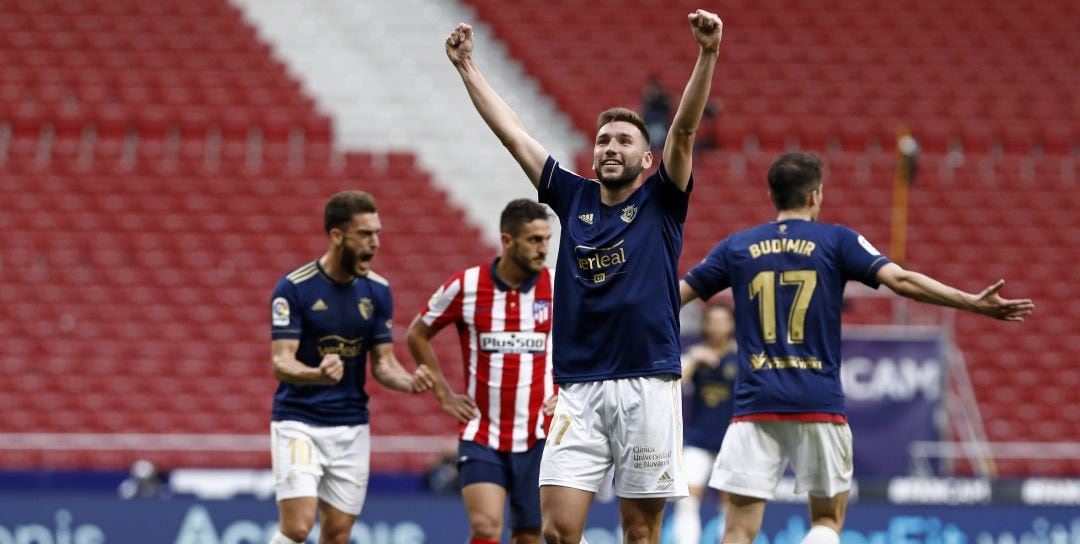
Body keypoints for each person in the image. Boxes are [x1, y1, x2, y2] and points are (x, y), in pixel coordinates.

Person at [446, 9, 723, 544]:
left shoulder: (661, 201)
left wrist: (707, 54)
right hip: (577, 389)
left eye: (623, 140)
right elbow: (515, 136)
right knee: (557, 530)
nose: (610, 147)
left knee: (640, 534)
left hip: (648, 382)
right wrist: (467, 68)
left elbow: (684, 130)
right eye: (602, 140)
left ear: (646, 158)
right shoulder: (571, 196)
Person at [679, 152, 1035, 544]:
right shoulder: (836, 240)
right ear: (815, 195)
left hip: (753, 406)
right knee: (827, 521)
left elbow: (673, 297)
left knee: (738, 529)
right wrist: (970, 302)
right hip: (818, 403)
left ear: (771, 194)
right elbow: (901, 281)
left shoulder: (737, 246)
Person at [267, 190, 435, 544]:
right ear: (337, 236)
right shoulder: (294, 288)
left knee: (339, 533)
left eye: (377, 234)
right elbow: (281, 361)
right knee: (297, 528)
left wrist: (409, 383)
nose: (374, 243)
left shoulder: (377, 292)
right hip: (300, 421)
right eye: (365, 234)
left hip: (351, 426)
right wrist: (316, 374)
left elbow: (384, 363)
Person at [407, 199, 558, 544]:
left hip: (538, 434)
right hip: (481, 433)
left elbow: (589, 342)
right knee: (486, 527)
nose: (544, 249)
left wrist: (565, 391)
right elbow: (417, 332)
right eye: (534, 240)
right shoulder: (467, 286)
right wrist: (442, 393)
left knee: (528, 535)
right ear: (508, 241)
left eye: (547, 239)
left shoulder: (557, 286)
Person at [672, 303, 737, 544]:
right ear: (705, 324)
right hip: (698, 439)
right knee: (687, 500)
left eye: (723, 320)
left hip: (731, 441)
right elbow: (674, 385)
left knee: (729, 503)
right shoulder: (695, 354)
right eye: (712, 320)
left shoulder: (741, 357)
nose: (717, 325)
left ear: (731, 324)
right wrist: (695, 358)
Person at [641, 74, 672, 151]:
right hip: (649, 127)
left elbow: (670, 109)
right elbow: (643, 113)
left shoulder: (664, 99)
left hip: (660, 127)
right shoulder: (646, 100)